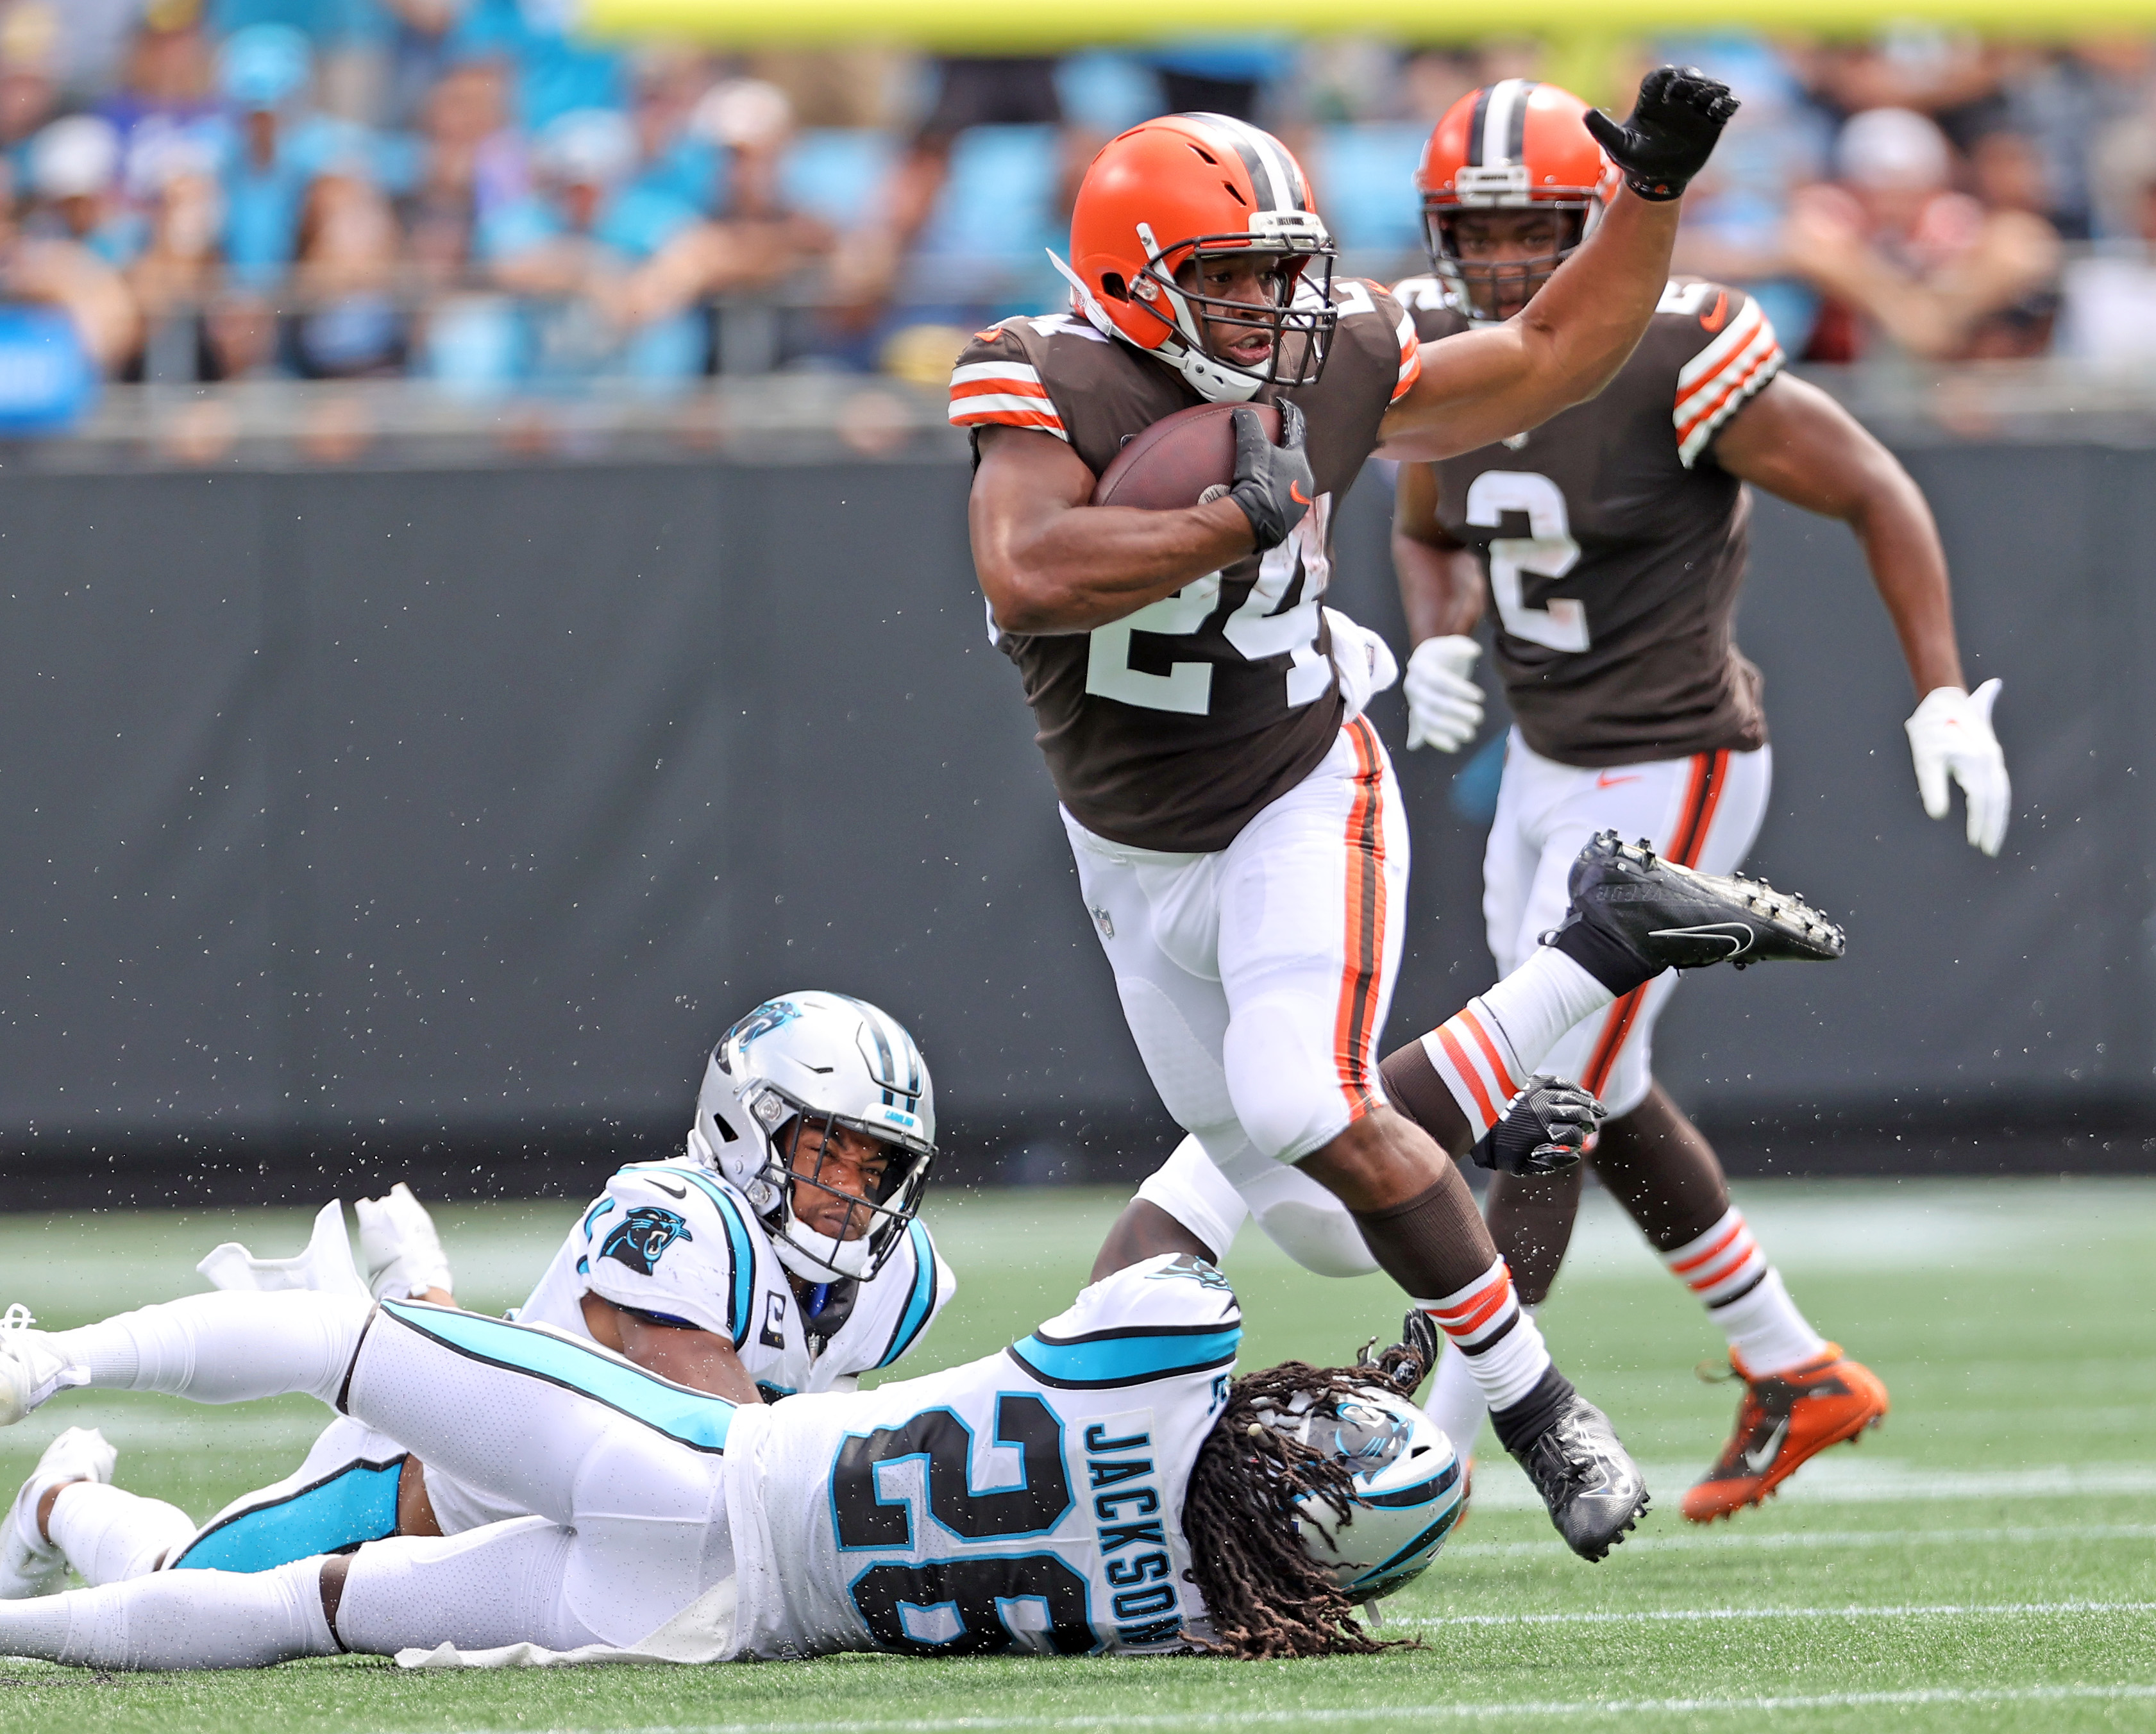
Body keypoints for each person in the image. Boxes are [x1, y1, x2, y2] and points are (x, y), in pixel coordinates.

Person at [951, 71, 1740, 1561]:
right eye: (1229, 274)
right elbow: (1030, 570)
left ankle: (1538, 1409)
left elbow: (1557, 351)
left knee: (1309, 1105)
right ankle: (1587, 958)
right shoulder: (1043, 377)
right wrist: (1220, 522)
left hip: (1299, 784)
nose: (1267, 304)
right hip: (1128, 847)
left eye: (1277, 270)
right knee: (1313, 1206)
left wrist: (1647, 196)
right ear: (1131, 278)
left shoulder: (1336, 353)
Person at [1383, 80, 2010, 1519]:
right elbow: (1424, 516)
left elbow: (1873, 488)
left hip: (1674, 758)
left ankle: (1440, 1435)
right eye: (1472, 236)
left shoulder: (1675, 349)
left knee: (1546, 1093)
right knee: (1588, 1074)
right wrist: (1432, 632)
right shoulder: (1439, 350)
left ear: (1594, 219)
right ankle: (1792, 1365)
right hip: (1544, 759)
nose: (1497, 267)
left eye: (1531, 230)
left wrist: (1938, 689)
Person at [0, 1252, 1462, 1665]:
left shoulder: (1168, 1355)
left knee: (346, 1331)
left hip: (701, 1464)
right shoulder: (1211, 1616)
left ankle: (47, 1357)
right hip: (707, 1625)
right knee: (299, 1609)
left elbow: (1216, 1176)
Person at [0, 991, 952, 1598]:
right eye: (827, 1150)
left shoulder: (894, 1281)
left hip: (580, 1537)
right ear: (747, 1126)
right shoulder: (678, 1214)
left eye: (879, 1170)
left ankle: (421, 1295)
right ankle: (57, 1498)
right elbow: (731, 1448)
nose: (850, 1195)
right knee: (181, 1590)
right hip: (426, 1487)